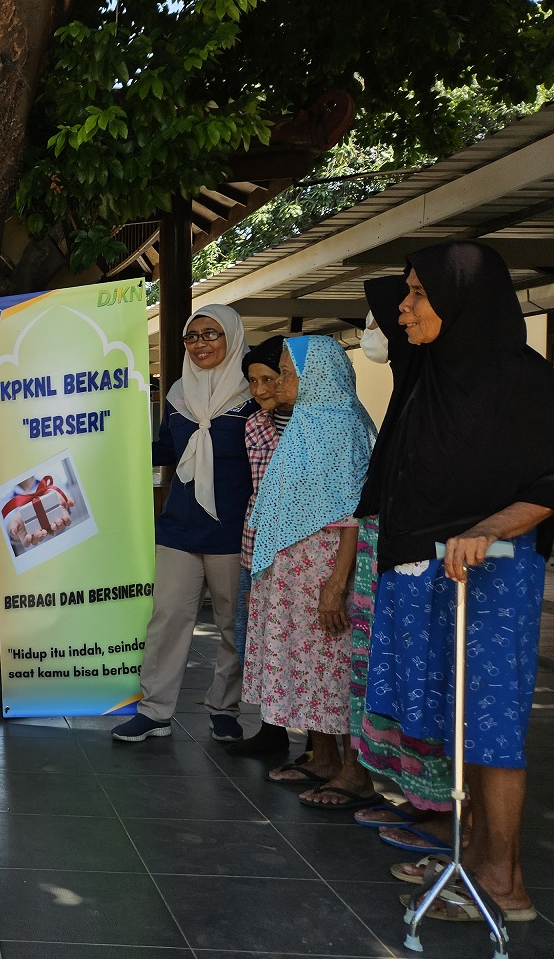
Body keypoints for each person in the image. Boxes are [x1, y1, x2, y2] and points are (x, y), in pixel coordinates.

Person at [357, 241, 554, 922]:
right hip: (430, 569)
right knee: (455, 721)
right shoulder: (433, 372)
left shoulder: (522, 379)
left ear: (461, 300)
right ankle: (470, 856)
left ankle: (505, 882)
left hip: (492, 573)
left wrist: (489, 527)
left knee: (491, 727)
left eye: (419, 293)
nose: (404, 307)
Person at [243, 336, 380, 808]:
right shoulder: (307, 421)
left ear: (317, 375)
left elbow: (352, 512)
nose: (279, 382)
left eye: (287, 372)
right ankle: (322, 758)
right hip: (295, 574)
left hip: (324, 572)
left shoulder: (342, 424)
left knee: (337, 666)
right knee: (310, 665)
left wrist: (337, 585)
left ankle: (355, 773)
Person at [113, 306, 254, 743]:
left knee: (232, 625)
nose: (199, 344)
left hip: (233, 530)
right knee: (167, 619)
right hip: (178, 527)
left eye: (210, 334)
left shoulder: (254, 394)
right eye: (192, 337)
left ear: (232, 336)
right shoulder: (178, 394)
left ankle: (224, 709)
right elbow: (168, 450)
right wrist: (113, 442)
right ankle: (154, 711)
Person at [349, 276, 456, 847]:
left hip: (439, 565)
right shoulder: (413, 385)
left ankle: (447, 814)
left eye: (380, 320)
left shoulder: (454, 386)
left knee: (433, 683)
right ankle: (420, 799)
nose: (388, 324)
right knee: (402, 680)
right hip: (398, 555)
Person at [229, 336, 293, 757]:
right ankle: (272, 729)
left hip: (298, 552)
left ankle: (319, 743)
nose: (260, 389)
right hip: (256, 546)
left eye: (269, 378)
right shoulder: (254, 425)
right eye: (252, 381)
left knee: (297, 644)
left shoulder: (314, 425)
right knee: (253, 638)